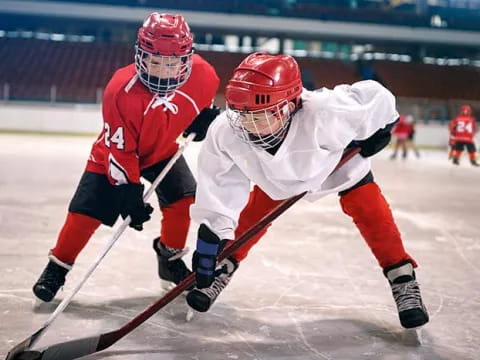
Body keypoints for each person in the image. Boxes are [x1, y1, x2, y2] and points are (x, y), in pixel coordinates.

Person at [186, 52, 429, 330]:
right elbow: (219, 184)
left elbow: (378, 97)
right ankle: (223, 266)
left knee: (369, 209)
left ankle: (402, 277)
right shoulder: (227, 130)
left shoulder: (327, 111)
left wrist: (383, 127)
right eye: (242, 114)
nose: (248, 126)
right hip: (278, 178)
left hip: (334, 164)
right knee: (253, 215)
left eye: (260, 116)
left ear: (289, 106)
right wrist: (211, 240)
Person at [32, 13, 220, 302]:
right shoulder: (120, 90)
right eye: (154, 62)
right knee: (85, 213)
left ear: (186, 59)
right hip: (113, 155)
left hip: (161, 151)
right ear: (141, 56)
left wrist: (202, 120)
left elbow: (200, 107)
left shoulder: (205, 76)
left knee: (184, 199)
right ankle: (57, 266)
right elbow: (120, 150)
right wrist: (129, 190)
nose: (162, 72)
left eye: (171, 64)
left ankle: (169, 260)